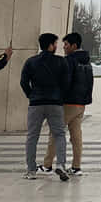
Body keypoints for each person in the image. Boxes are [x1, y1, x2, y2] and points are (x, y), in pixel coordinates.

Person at [20, 33, 70, 179]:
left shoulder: (31, 62)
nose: (57, 46)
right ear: (50, 45)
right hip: (55, 103)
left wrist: (31, 95)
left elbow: (24, 82)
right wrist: (60, 96)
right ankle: (61, 165)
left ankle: (31, 170)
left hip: (36, 103)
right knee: (59, 134)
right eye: (55, 43)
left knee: (32, 137)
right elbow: (66, 83)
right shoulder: (61, 62)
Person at [44, 31, 94, 177]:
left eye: (66, 45)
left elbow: (64, 82)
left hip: (68, 103)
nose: (64, 48)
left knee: (55, 131)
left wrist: (58, 96)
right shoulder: (87, 61)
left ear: (74, 45)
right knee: (76, 135)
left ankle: (47, 165)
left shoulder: (70, 61)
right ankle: (76, 166)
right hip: (81, 104)